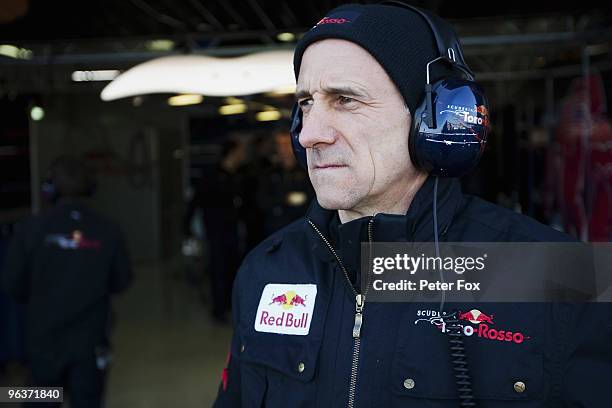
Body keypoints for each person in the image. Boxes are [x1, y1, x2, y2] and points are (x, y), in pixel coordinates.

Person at [213, 3, 611, 407]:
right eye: (305, 104)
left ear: (435, 119)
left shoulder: (557, 277)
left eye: (345, 100)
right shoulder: (266, 268)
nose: (309, 134)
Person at [1, 155, 131, 408]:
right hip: (91, 344)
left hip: (43, 345)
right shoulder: (109, 230)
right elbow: (121, 281)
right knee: (87, 401)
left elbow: (11, 284)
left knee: (38, 399)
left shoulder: (30, 229)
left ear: (49, 190)